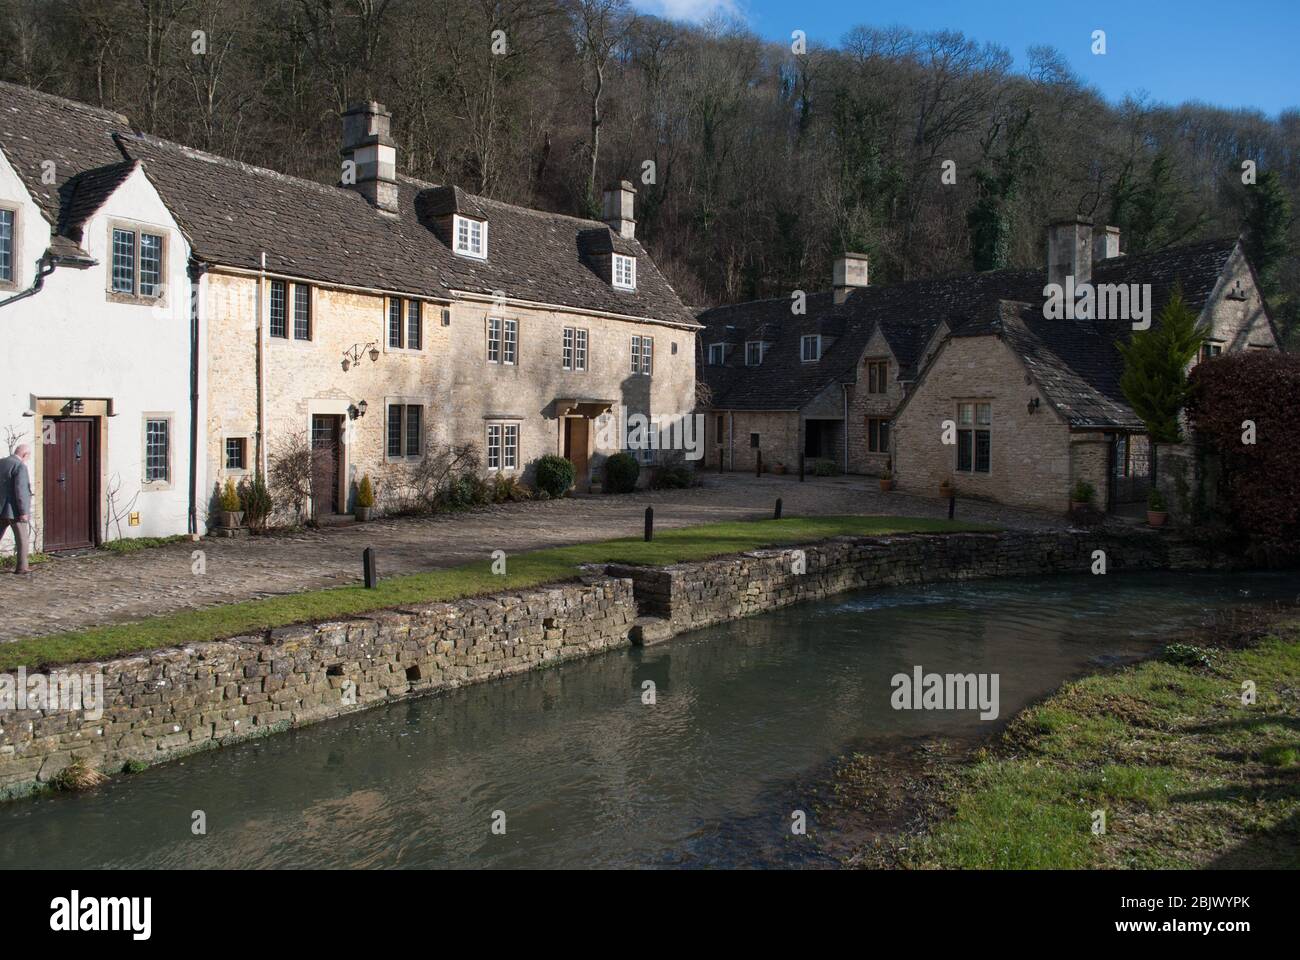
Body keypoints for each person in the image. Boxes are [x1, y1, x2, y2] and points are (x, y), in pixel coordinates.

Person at [0, 443, 33, 575]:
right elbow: (21, 491)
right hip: (14, 511)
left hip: (1, 509)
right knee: (22, 540)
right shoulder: (20, 466)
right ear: (24, 455)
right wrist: (24, 512)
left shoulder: (1, 462)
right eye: (28, 457)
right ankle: (22, 567)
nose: (27, 460)